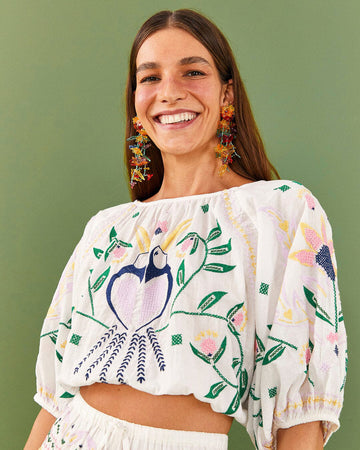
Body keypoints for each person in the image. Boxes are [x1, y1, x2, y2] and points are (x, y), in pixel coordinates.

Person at [25, 9, 347, 450]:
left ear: (226, 92)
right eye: (150, 77)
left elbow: (301, 404)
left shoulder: (279, 212)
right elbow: (57, 398)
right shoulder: (106, 229)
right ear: (135, 99)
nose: (170, 92)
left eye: (192, 72)